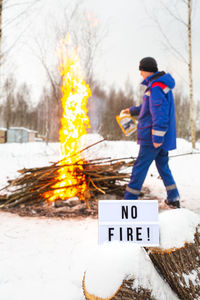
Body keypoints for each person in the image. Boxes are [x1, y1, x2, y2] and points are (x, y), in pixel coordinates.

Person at [122, 57, 180, 208]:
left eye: (141, 70)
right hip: (159, 138)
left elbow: (159, 114)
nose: (140, 74)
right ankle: (173, 197)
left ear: (146, 70)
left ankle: (129, 201)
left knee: (139, 167)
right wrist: (132, 110)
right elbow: (149, 107)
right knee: (163, 167)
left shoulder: (155, 87)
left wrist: (157, 137)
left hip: (151, 138)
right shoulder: (159, 85)